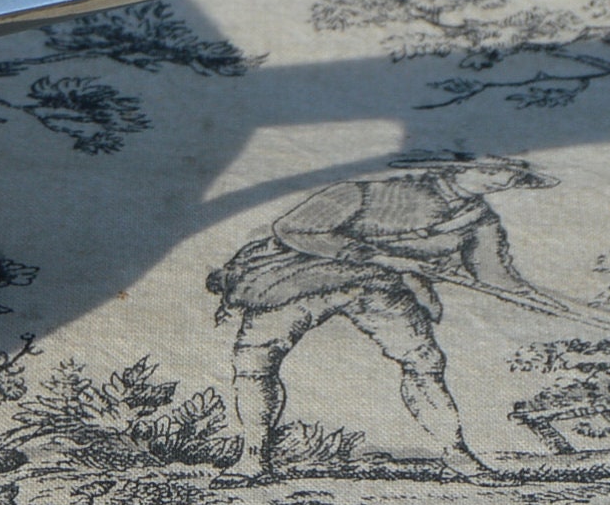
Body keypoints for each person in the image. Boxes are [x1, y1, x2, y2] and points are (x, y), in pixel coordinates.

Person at [211, 152, 555, 480]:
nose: (501, 180)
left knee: (424, 362)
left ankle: (456, 455)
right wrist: (375, 256)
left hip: (380, 287)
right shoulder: (362, 192)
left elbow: (493, 274)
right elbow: (293, 229)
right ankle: (252, 458)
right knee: (256, 362)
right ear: (452, 169)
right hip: (297, 280)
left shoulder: (479, 221)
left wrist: (535, 298)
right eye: (490, 170)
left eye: (511, 174)